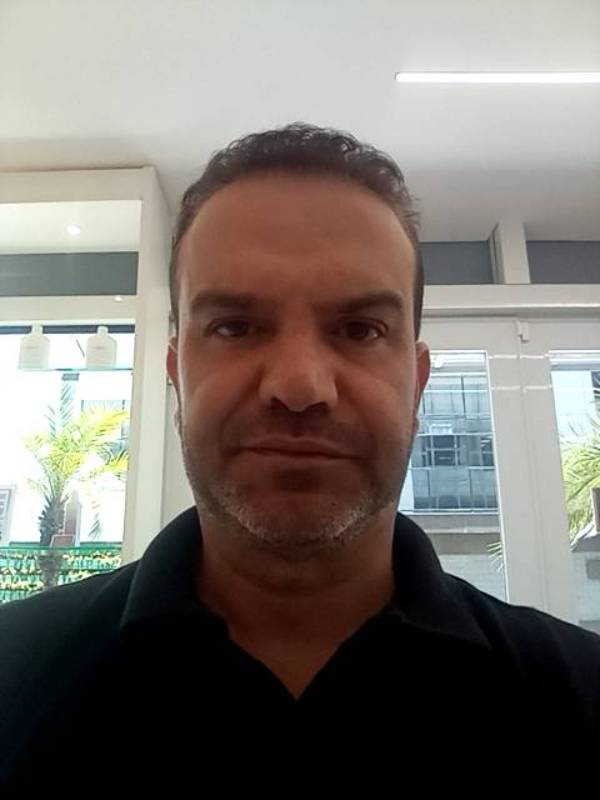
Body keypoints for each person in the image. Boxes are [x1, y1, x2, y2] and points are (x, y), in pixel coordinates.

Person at [1, 123, 599, 789]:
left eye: (360, 329)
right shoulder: (14, 675)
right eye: (235, 327)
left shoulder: (579, 697)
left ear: (417, 383)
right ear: (176, 376)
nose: (299, 386)